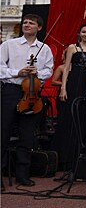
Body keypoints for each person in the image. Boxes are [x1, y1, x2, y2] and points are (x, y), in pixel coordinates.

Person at [0, 14, 54, 189]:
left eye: (31, 23)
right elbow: (1, 68)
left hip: (32, 93)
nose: (27, 25)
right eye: (25, 23)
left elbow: (48, 70)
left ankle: (23, 174)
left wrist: (37, 73)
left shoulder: (44, 48)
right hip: (11, 90)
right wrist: (18, 72)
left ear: (39, 27)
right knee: (3, 132)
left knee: (27, 135)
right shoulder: (9, 45)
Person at [52, 22, 86, 170]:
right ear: (79, 33)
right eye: (84, 32)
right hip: (73, 82)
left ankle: (84, 157)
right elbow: (66, 68)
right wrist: (63, 88)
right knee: (70, 117)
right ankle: (66, 158)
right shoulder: (73, 48)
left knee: (85, 117)